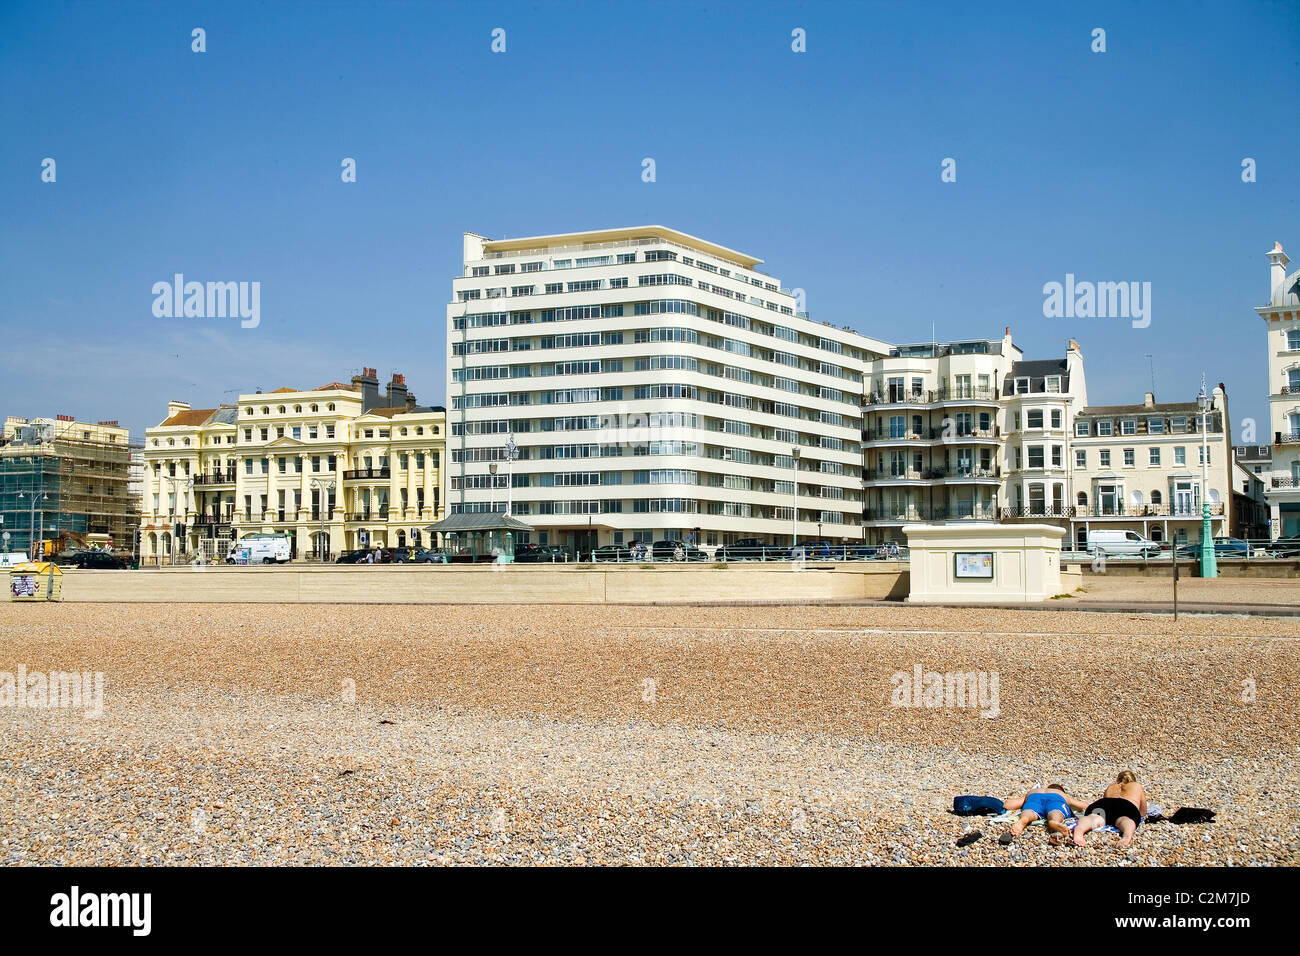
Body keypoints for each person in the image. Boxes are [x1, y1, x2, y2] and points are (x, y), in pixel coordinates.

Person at [1073, 771, 1148, 848]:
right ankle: (1127, 836)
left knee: (1094, 817)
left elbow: (1108, 806)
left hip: (1104, 803)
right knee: (1124, 819)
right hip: (1126, 805)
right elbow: (1143, 812)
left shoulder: (1111, 786)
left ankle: (1080, 829)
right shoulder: (1136, 785)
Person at [1000, 783, 1088, 843]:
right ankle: (1054, 821)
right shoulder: (1060, 793)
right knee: (1056, 811)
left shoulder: (1034, 791)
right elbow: (1084, 806)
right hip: (1055, 798)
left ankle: (1024, 819)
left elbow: (1008, 805)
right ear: (1061, 790)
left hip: (1034, 797)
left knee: (1030, 812)